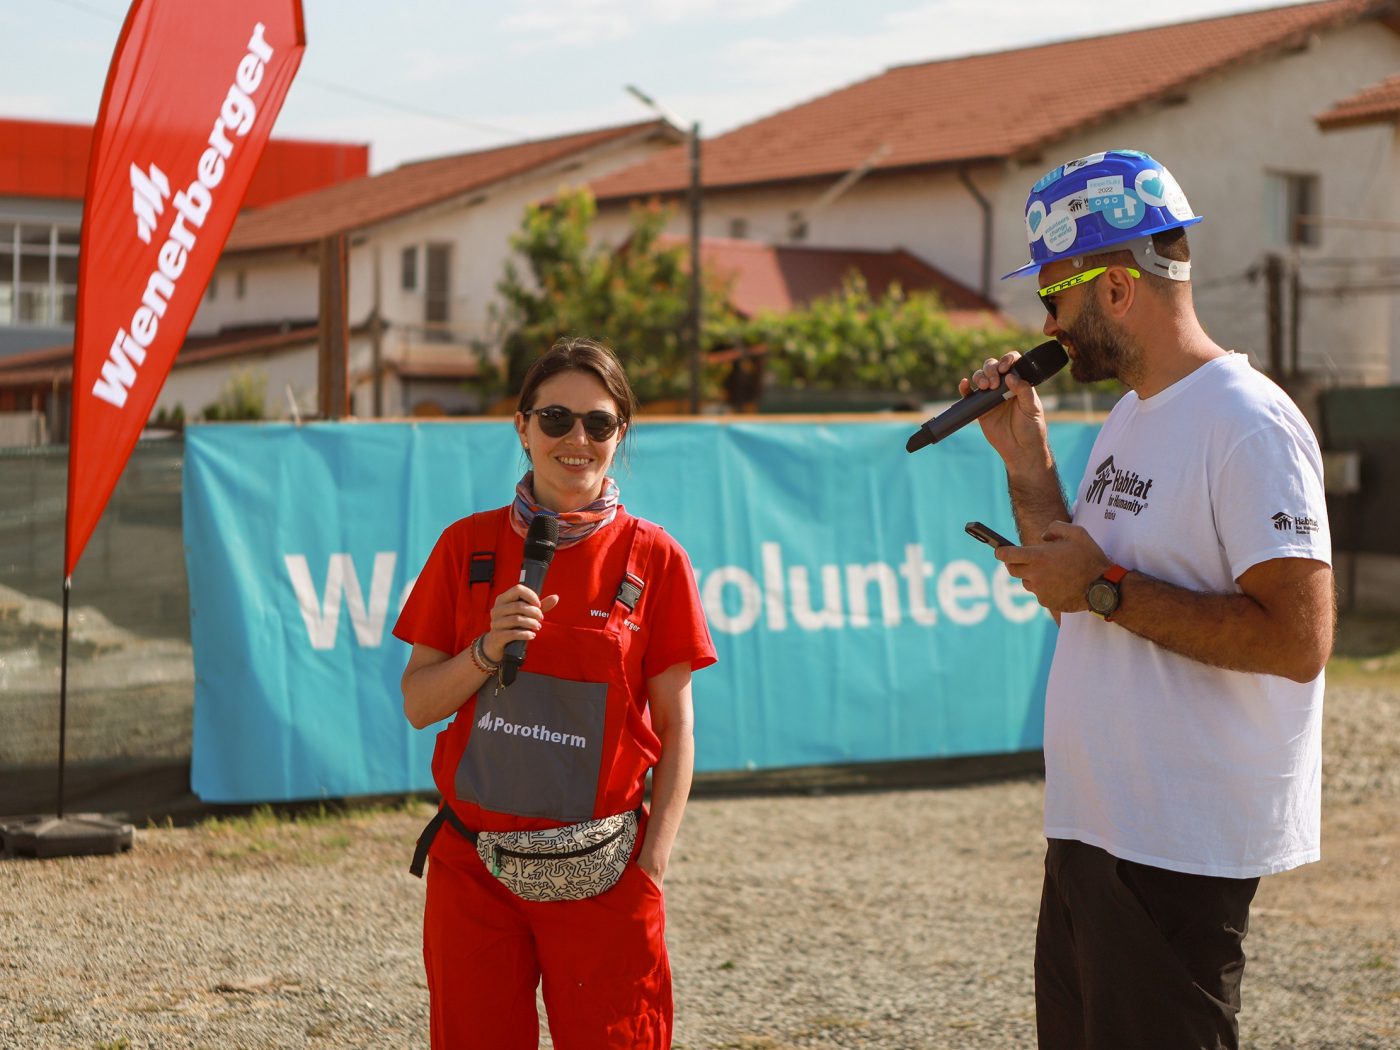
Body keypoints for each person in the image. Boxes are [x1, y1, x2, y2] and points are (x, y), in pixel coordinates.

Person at [965, 149, 1334, 1049]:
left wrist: (1103, 587)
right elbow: (1083, 598)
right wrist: (1028, 466)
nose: (1046, 326)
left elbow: (1298, 642)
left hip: (1178, 844)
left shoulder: (1248, 421)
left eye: (1053, 299)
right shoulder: (1133, 413)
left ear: (1116, 288)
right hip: (1095, 825)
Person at [393, 336, 717, 1049]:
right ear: (522, 427)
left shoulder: (655, 558)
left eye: (598, 423)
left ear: (620, 435)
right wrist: (485, 650)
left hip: (606, 873)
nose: (577, 439)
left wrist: (652, 866)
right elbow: (418, 705)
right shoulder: (466, 546)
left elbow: (678, 728)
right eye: (555, 419)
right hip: (473, 871)